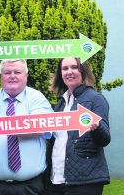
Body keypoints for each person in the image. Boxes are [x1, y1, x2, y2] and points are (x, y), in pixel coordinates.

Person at [0, 43, 53, 195]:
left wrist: (4, 127)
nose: (12, 76)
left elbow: (41, 127)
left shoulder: (36, 97)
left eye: (17, 72)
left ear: (26, 75)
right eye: (7, 72)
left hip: (30, 186)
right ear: (1, 77)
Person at [44, 57, 110, 195]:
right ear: (60, 74)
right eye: (65, 68)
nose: (69, 72)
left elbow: (105, 139)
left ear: (83, 71)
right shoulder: (61, 104)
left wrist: (96, 128)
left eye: (74, 67)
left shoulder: (95, 99)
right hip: (56, 179)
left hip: (84, 181)